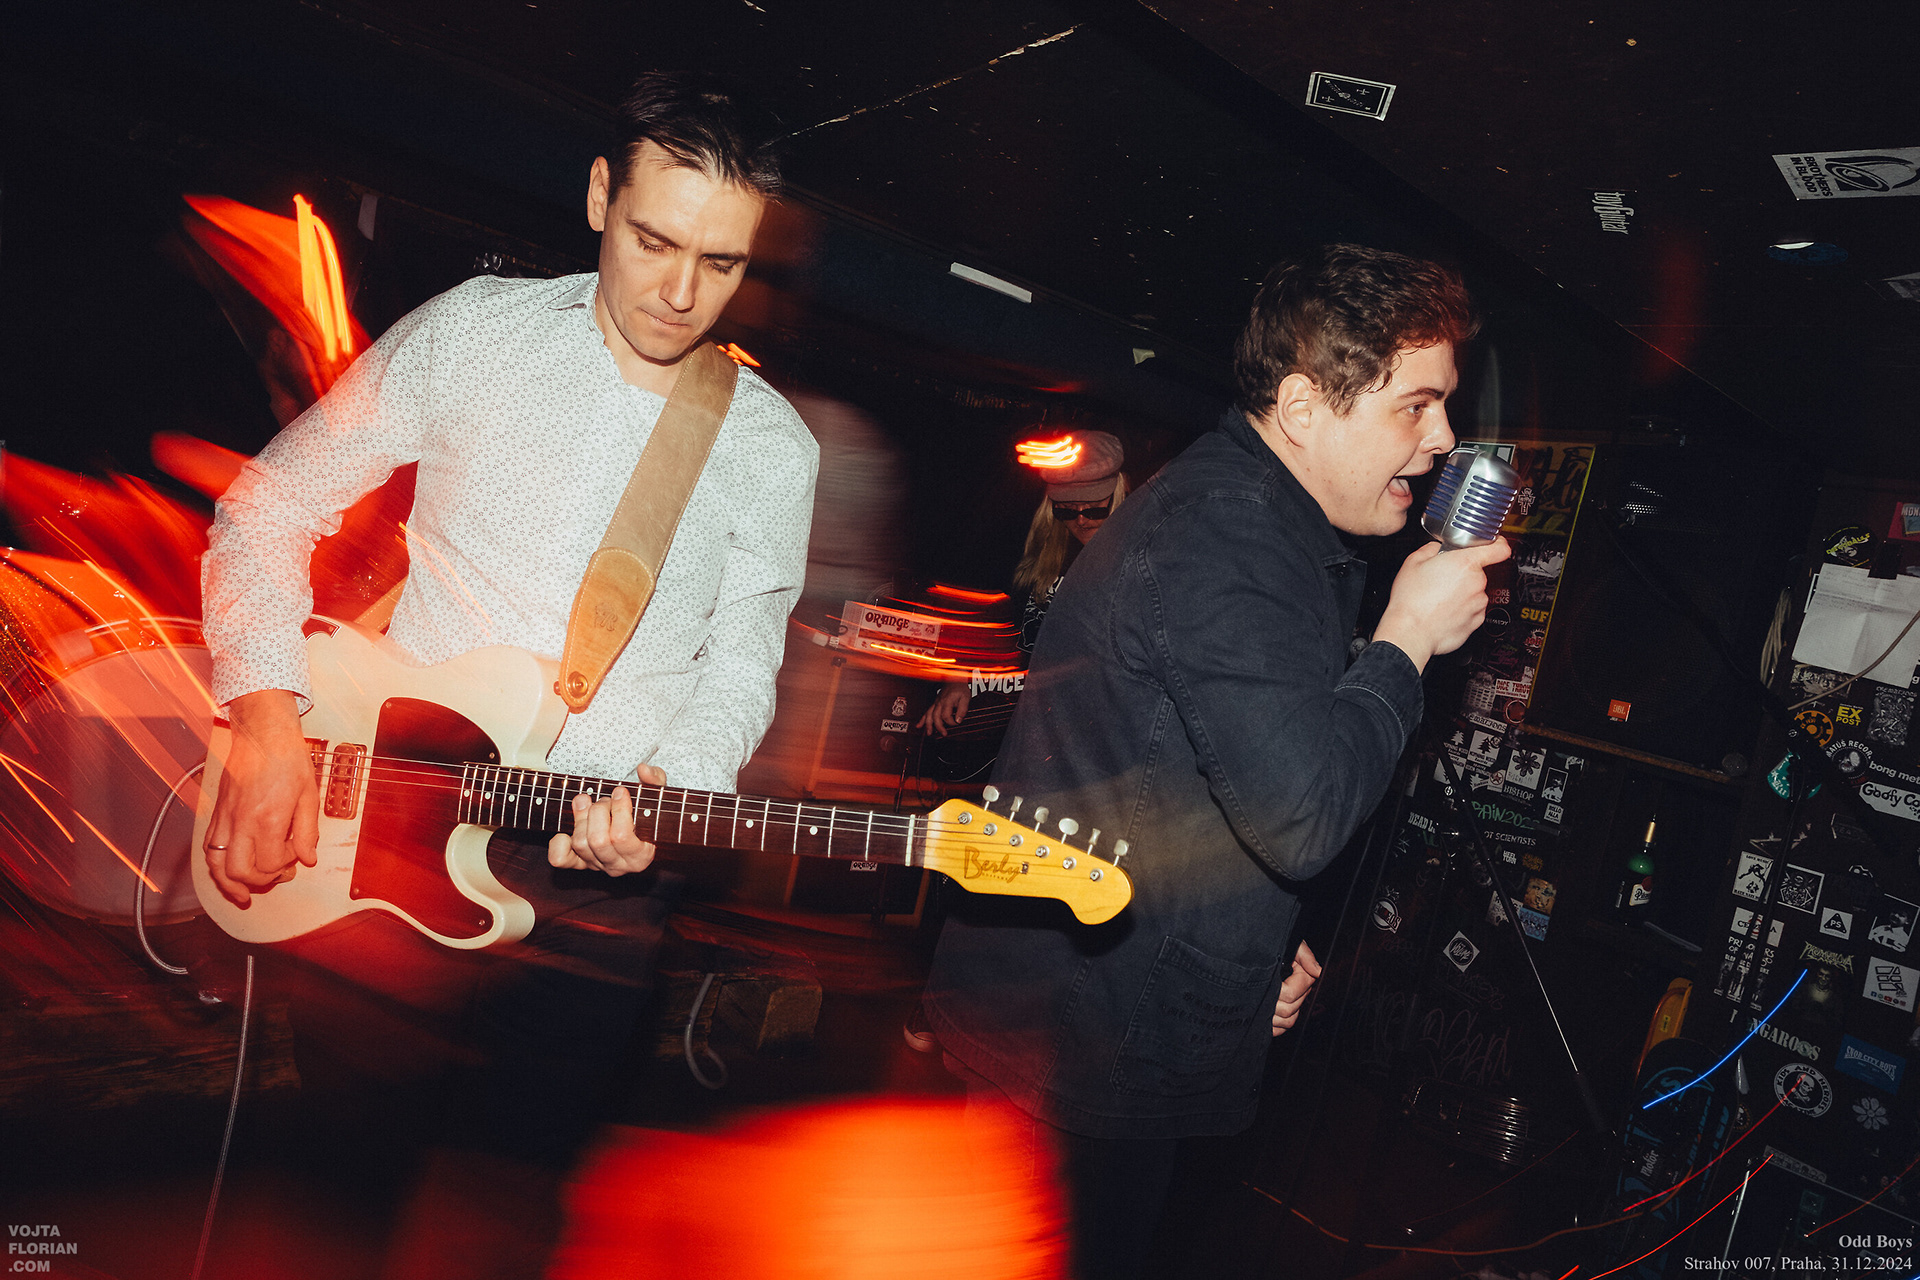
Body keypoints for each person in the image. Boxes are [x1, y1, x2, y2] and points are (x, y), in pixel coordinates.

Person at [199, 73, 817, 1279]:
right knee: (337, 1195)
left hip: (598, 899)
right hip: (392, 836)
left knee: (510, 1217)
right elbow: (267, 508)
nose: (680, 292)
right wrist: (266, 718)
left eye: (721, 263)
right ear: (598, 197)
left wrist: (672, 789)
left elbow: (745, 659)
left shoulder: (769, 445)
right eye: (654, 241)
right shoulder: (475, 333)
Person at [922, 243, 1510, 1279]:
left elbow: (1199, 777)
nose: (1443, 439)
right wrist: (1407, 638)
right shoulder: (1225, 537)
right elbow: (1302, 814)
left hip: (1102, 1012)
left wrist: (1256, 944)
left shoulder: (1266, 527)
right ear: (1303, 406)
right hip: (1080, 1038)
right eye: (1415, 407)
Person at [919, 429, 1128, 738]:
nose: (1081, 520)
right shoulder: (1030, 545)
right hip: (1012, 714)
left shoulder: (1137, 562)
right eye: (1067, 509)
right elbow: (982, 609)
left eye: (1095, 508)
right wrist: (958, 677)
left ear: (1118, 496)